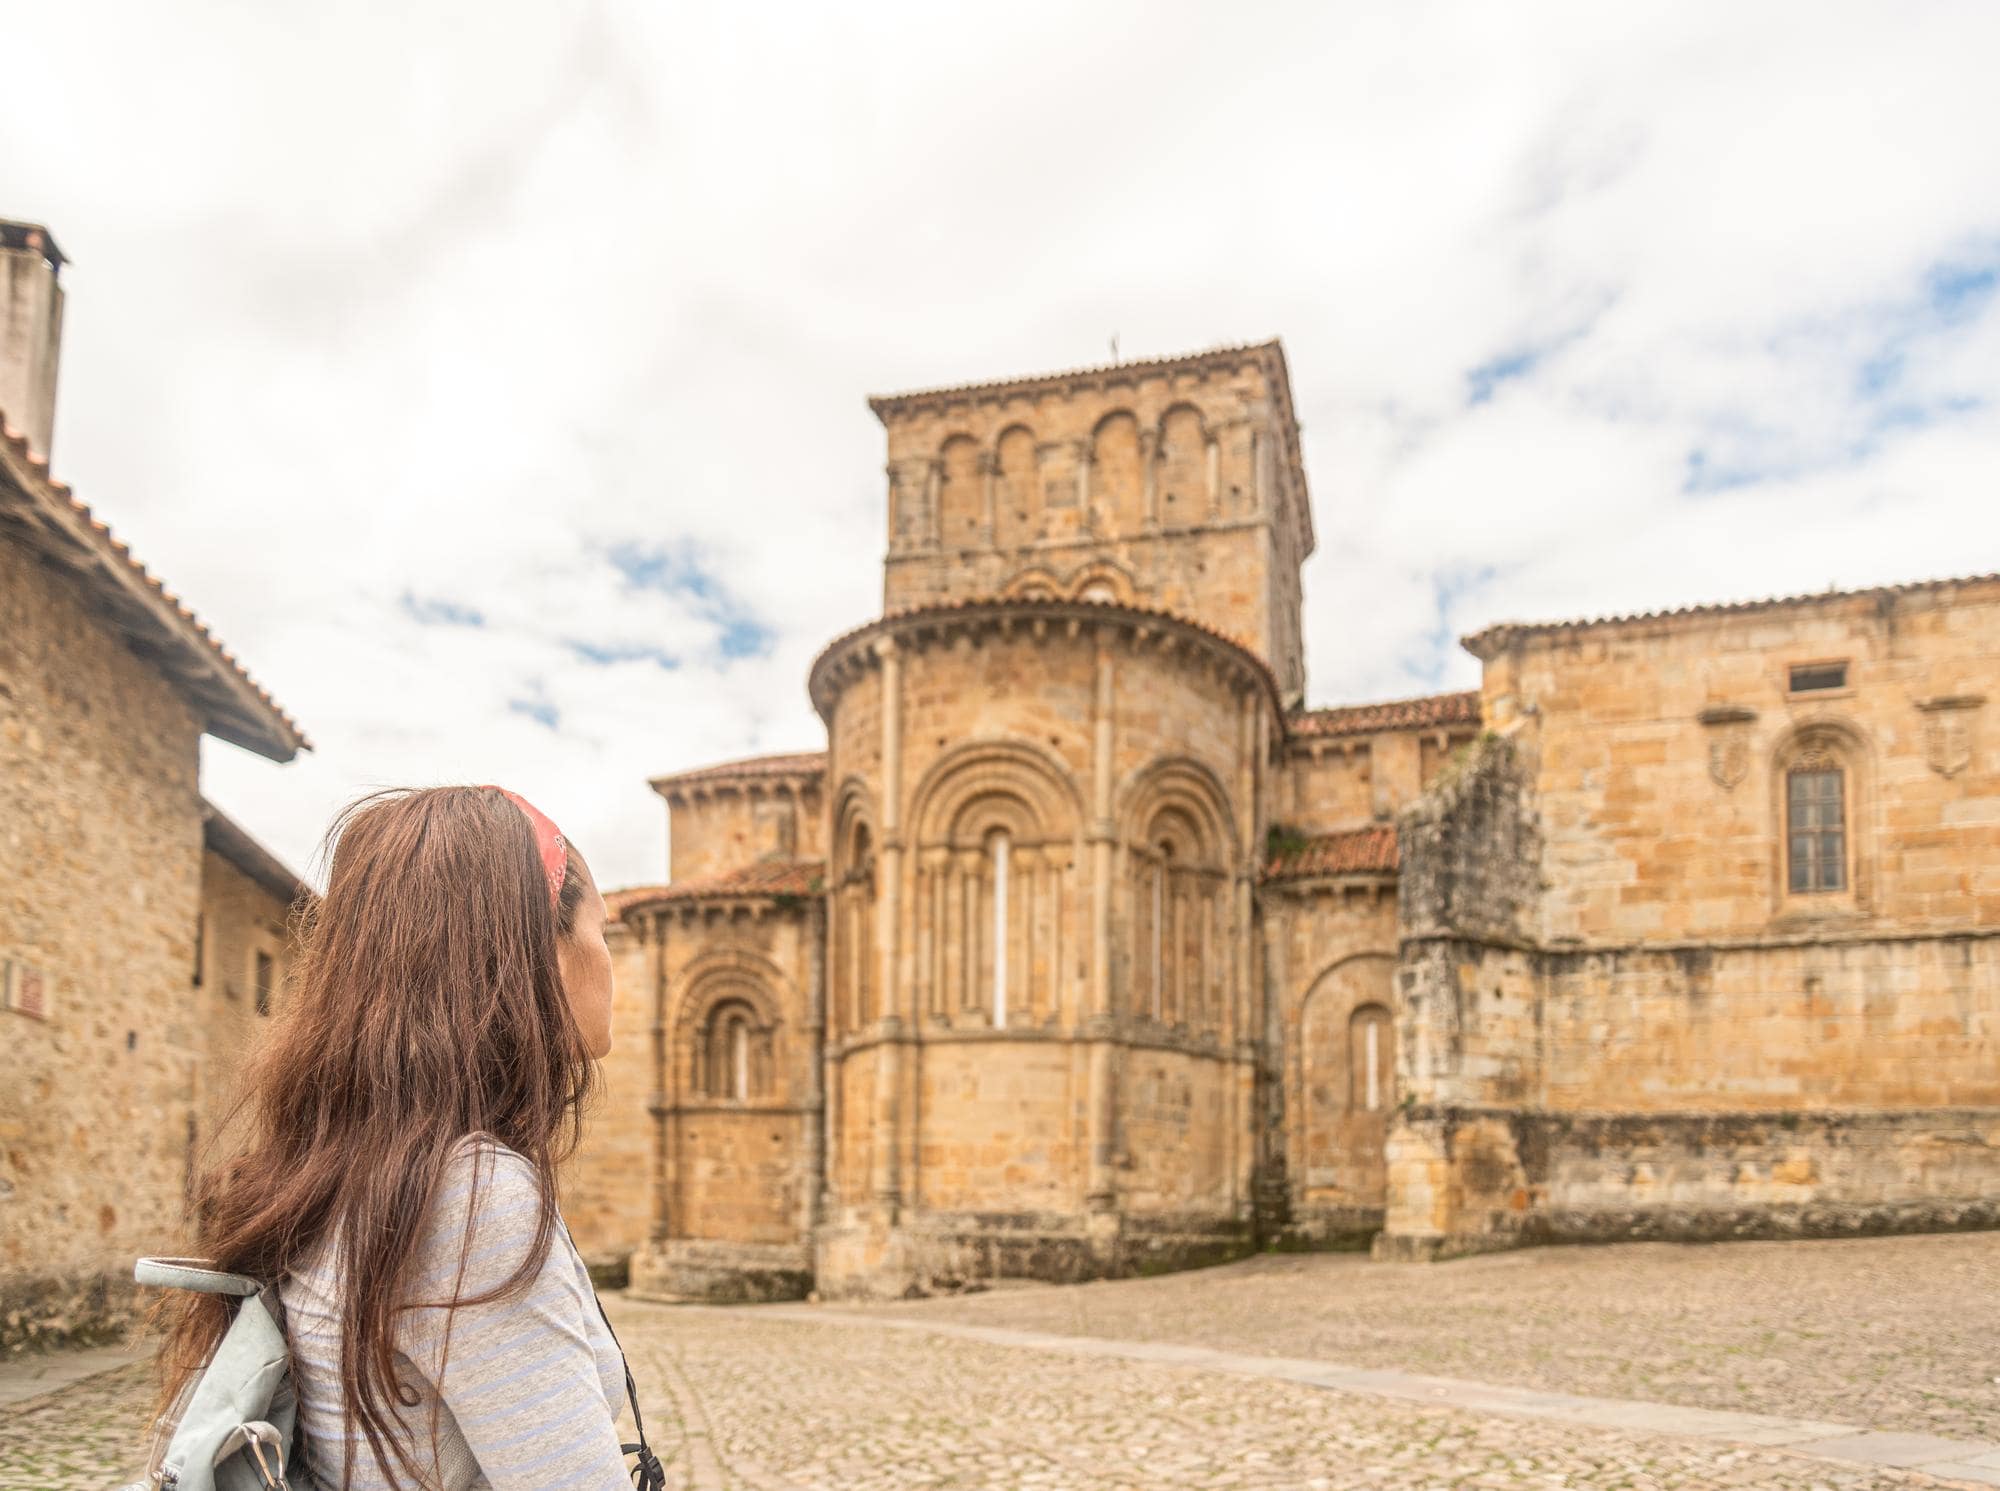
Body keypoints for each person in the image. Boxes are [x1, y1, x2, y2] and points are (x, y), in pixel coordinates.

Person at [153, 785, 639, 1490]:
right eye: (603, 930)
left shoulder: (361, 1162)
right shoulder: (470, 1197)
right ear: (545, 950)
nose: (609, 957)